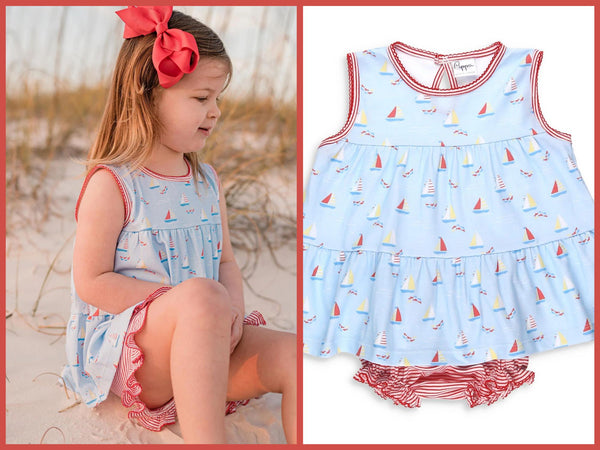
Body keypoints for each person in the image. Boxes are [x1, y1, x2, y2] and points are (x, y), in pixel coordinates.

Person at [61, 6, 296, 444]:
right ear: (147, 96)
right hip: (140, 357)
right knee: (204, 297)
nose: (216, 111)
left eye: (218, 98)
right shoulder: (114, 183)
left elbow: (225, 261)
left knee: (294, 357)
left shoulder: (207, 181)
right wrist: (189, 303)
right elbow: (91, 280)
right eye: (201, 98)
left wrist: (234, 317)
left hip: (206, 349)